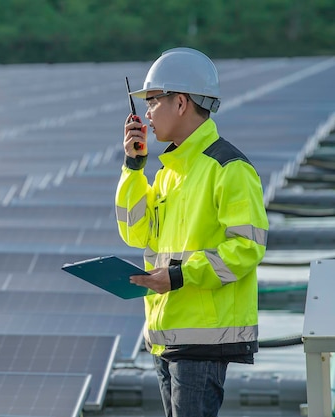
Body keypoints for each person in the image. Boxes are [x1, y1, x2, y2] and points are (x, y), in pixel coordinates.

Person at [115, 47, 269, 417]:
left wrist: (181, 276)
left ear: (181, 103)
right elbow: (135, 233)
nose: (146, 114)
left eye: (152, 101)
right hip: (167, 336)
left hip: (203, 339)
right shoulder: (168, 173)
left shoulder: (229, 168)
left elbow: (247, 249)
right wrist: (134, 168)